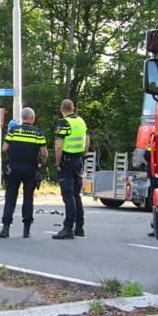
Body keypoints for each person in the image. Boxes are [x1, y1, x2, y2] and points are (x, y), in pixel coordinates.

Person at [0, 107, 47, 239]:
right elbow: (44, 153)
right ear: (33, 118)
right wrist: (42, 161)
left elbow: (4, 148)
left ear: (22, 118)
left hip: (14, 167)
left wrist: (12, 155)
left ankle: (6, 228)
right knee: (28, 198)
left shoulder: (14, 131)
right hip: (30, 168)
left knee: (10, 198)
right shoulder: (38, 133)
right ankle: (26, 230)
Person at [52, 99, 89, 240]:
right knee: (76, 194)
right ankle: (79, 227)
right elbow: (87, 140)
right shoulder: (81, 121)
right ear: (73, 108)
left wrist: (57, 163)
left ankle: (68, 227)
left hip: (66, 162)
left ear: (61, 109)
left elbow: (58, 146)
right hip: (78, 160)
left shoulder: (64, 123)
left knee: (68, 195)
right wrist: (83, 156)